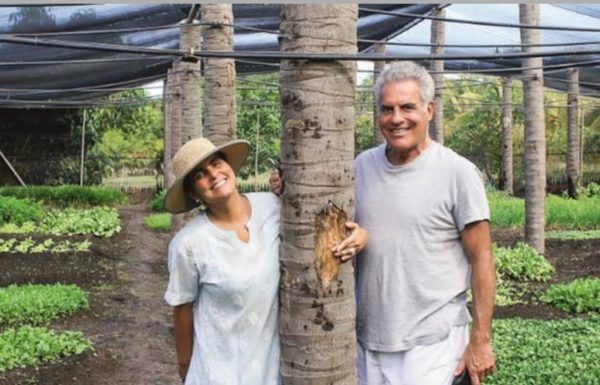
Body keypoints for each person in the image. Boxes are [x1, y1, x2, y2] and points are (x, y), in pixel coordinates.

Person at [270, 61, 495, 385]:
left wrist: (481, 339)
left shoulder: (457, 173)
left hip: (432, 347)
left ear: (429, 110)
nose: (397, 118)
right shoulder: (361, 167)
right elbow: (331, 218)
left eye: (407, 107)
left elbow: (483, 258)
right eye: (387, 109)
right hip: (367, 342)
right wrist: (288, 188)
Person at [164, 137, 367, 385]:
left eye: (216, 163)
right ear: (194, 194)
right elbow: (181, 309)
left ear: (229, 167)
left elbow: (322, 226)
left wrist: (359, 234)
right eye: (200, 175)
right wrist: (185, 370)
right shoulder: (189, 243)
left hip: (273, 370)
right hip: (217, 373)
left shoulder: (272, 206)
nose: (213, 174)